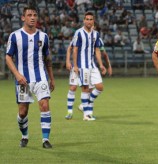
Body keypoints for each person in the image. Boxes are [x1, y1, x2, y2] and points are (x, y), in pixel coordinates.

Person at [5, 6, 55, 148]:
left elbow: (47, 58)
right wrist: (17, 75)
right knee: (23, 112)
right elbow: (8, 57)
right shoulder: (15, 36)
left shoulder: (43, 36)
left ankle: (45, 140)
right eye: (29, 15)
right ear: (23, 18)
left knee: (45, 105)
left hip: (40, 77)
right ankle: (24, 136)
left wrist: (51, 78)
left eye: (34, 15)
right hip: (23, 79)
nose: (32, 17)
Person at [65, 35, 112, 120]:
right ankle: (69, 112)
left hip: (89, 68)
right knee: (73, 87)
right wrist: (68, 61)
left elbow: (103, 53)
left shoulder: (97, 39)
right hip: (77, 66)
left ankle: (86, 109)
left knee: (92, 89)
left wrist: (108, 66)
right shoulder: (79, 36)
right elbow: (70, 48)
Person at [73, 12, 107, 121]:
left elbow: (97, 50)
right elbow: (75, 49)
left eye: (91, 19)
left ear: (93, 21)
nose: (89, 21)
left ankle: (85, 105)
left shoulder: (96, 34)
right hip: (82, 66)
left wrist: (101, 64)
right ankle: (86, 115)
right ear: (84, 20)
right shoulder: (78, 33)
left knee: (100, 87)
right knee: (85, 89)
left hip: (92, 65)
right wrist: (75, 65)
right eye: (87, 19)